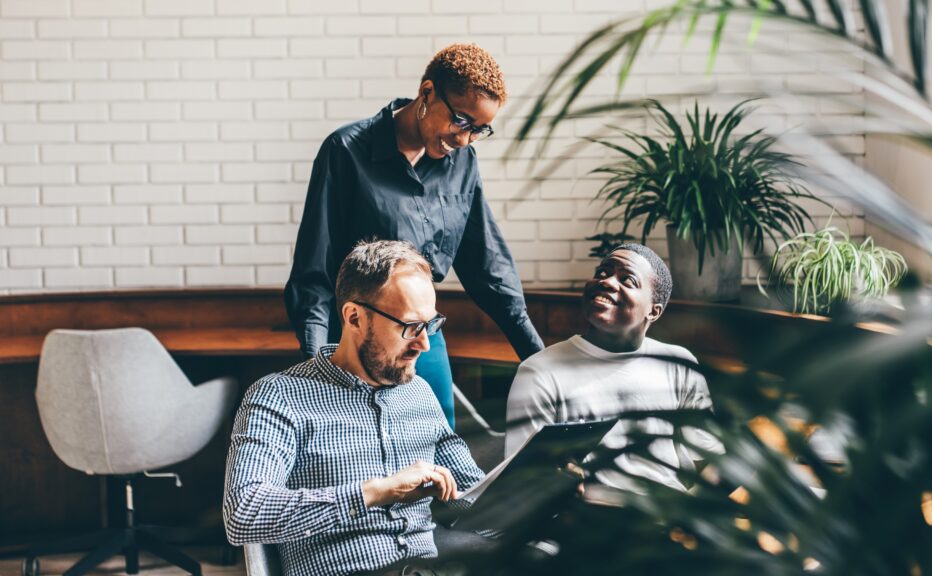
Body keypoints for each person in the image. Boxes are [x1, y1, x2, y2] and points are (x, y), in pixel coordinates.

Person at [285, 43, 544, 429]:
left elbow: (488, 266)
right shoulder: (346, 150)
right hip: (356, 341)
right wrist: (316, 363)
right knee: (357, 451)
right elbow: (314, 272)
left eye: (479, 130)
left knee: (438, 446)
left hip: (424, 336)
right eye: (461, 120)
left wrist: (539, 361)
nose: (465, 139)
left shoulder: (462, 163)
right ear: (427, 93)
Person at [225, 240, 486, 576]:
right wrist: (378, 491)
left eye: (431, 325)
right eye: (410, 327)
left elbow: (473, 498)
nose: (424, 343)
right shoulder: (279, 396)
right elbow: (244, 514)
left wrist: (539, 496)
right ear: (354, 317)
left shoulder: (419, 393)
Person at [504, 244, 723, 492]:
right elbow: (521, 482)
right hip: (588, 513)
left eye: (627, 280)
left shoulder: (678, 363)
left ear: (654, 311)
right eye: (602, 272)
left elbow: (708, 459)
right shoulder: (539, 372)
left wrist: (693, 509)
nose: (606, 281)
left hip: (670, 510)